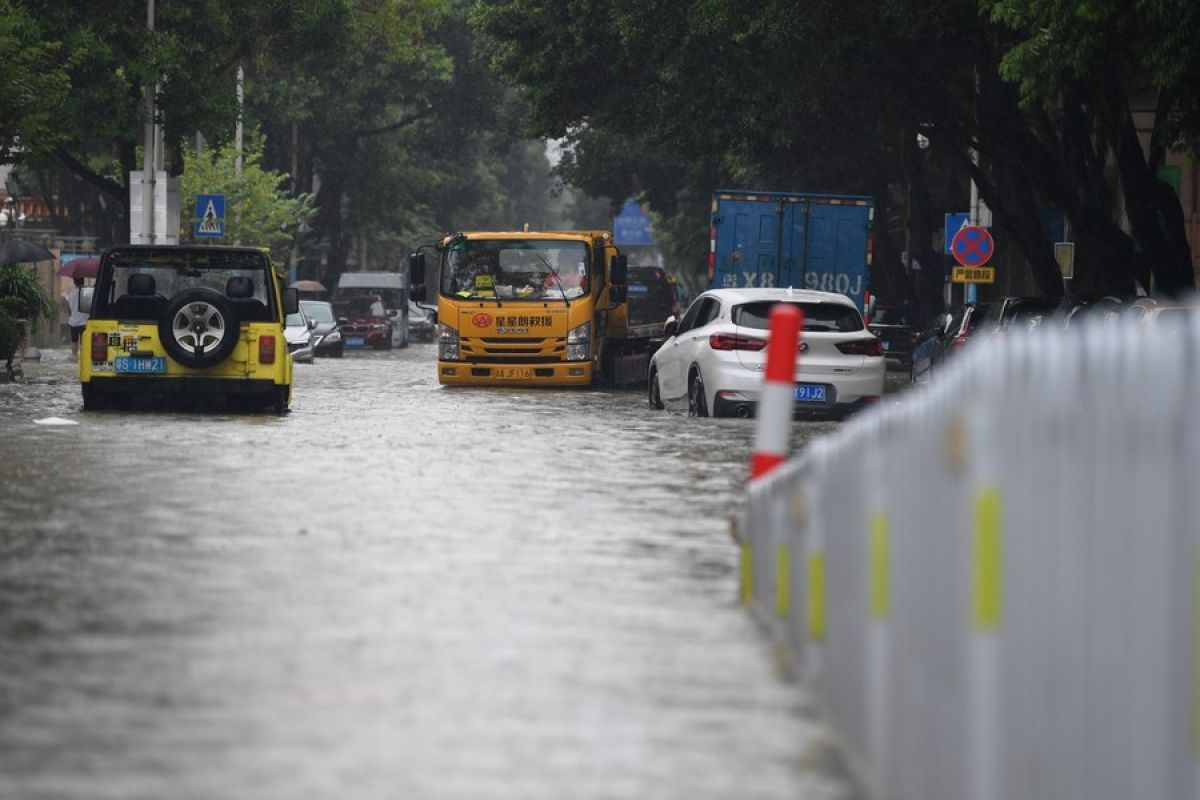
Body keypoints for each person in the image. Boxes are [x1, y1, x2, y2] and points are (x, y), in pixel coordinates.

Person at [62, 277, 90, 359]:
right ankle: (83, 357)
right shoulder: (86, 293)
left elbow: (69, 307)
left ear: (75, 283)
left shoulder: (71, 293)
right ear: (83, 282)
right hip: (84, 321)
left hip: (73, 321)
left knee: (74, 340)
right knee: (83, 341)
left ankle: (74, 356)